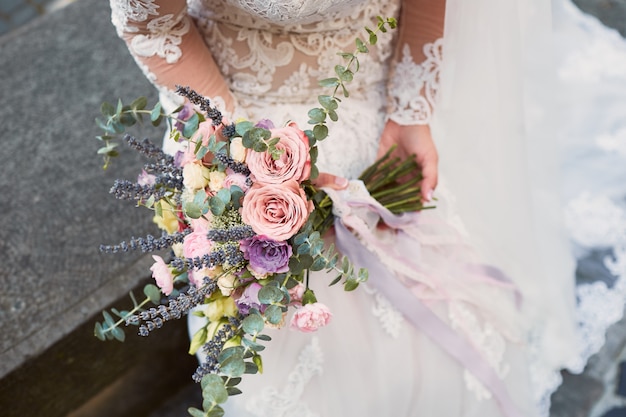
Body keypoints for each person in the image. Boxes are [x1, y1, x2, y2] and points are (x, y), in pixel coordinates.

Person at [108, 1, 587, 415]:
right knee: (275, 356)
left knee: (438, 334)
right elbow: (153, 23)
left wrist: (412, 109)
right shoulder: (233, 140)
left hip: (378, 103)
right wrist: (242, 153)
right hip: (232, 113)